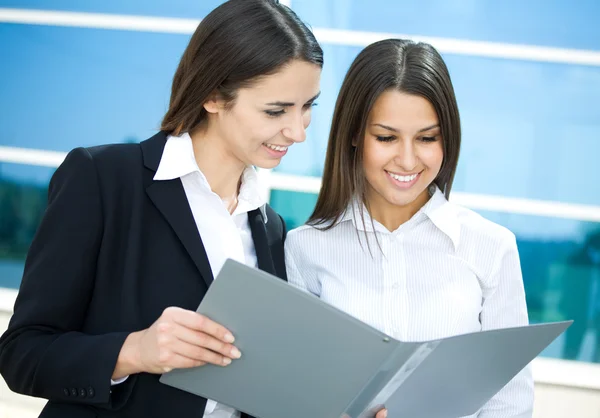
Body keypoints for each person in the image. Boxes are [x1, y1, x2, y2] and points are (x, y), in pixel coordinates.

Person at [0, 1, 322, 417]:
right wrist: (133, 351)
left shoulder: (271, 226)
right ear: (212, 95)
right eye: (276, 110)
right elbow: (22, 353)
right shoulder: (103, 179)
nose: (297, 131)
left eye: (308, 105)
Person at [285, 39, 534, 417]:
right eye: (386, 138)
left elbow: (511, 402)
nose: (406, 159)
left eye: (427, 138)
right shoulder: (305, 248)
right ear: (354, 135)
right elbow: (293, 392)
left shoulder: (491, 247)